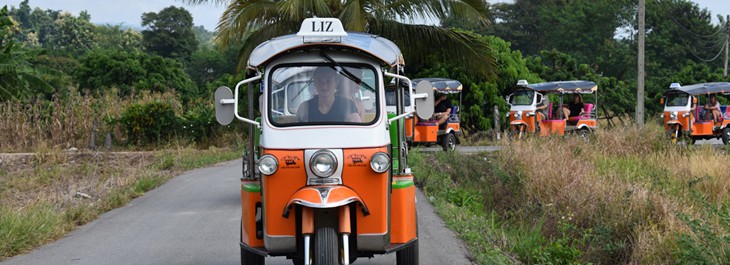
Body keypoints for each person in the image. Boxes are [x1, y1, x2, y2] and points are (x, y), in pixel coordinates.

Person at [296, 67, 362, 123]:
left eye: (329, 81)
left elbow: (358, 131)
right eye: (319, 81)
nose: (324, 86)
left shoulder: (347, 105)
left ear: (336, 83)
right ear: (314, 83)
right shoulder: (305, 108)